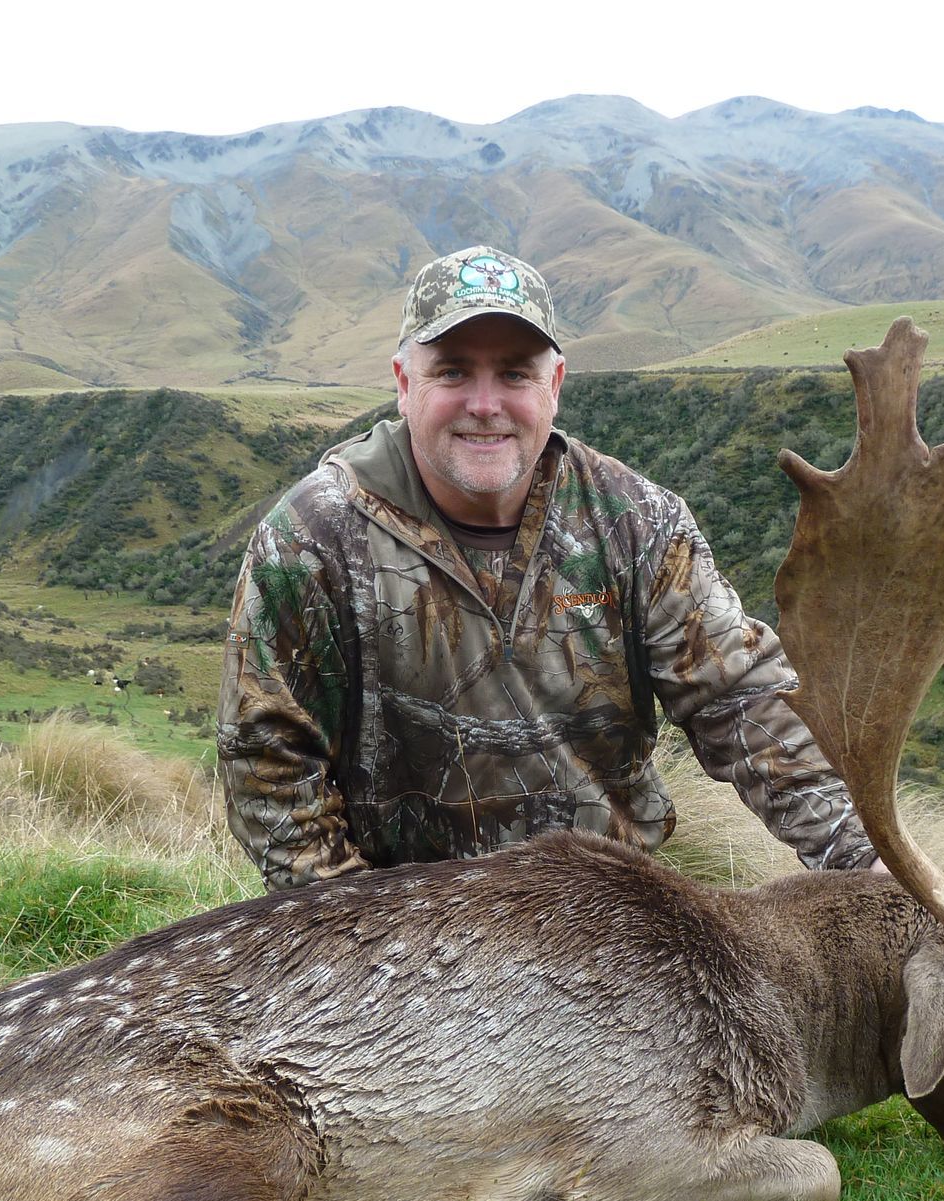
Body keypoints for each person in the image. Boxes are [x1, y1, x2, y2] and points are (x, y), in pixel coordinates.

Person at [217, 246, 874, 889]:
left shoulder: (638, 524)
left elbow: (743, 704)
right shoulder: (312, 537)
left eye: (514, 374)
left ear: (553, 386)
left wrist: (864, 864)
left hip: (610, 926)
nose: (484, 403)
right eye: (450, 372)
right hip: (403, 935)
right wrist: (359, 936)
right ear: (402, 384)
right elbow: (267, 765)